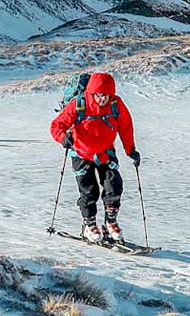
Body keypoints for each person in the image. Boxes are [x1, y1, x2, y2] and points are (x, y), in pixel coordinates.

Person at [49, 71, 139, 244]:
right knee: (89, 191)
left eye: (106, 95)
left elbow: (126, 127)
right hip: (81, 154)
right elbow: (57, 125)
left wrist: (131, 150)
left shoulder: (116, 104)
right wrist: (62, 137)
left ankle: (110, 223)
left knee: (114, 187)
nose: (102, 99)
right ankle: (89, 226)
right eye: (99, 95)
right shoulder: (79, 104)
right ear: (92, 93)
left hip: (105, 153)